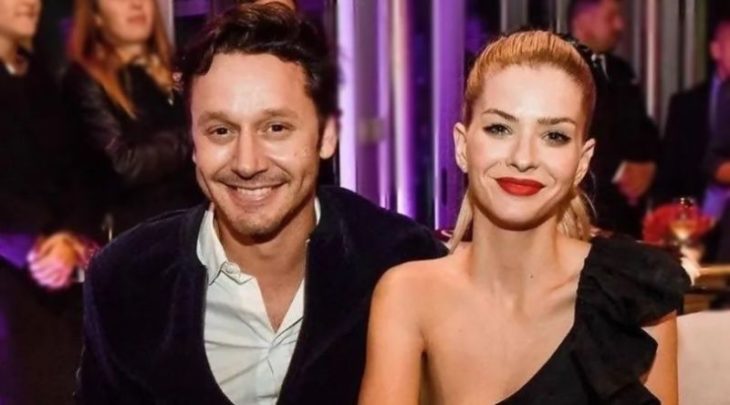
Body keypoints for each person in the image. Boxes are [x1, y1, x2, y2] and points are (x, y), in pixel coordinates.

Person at [76, 4, 447, 404]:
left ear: (326, 136)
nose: (248, 163)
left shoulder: (401, 260)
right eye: (221, 131)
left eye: (275, 128)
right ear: (194, 144)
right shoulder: (126, 280)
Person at [359, 31, 689, 405]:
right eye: (500, 128)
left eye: (554, 136)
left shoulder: (633, 295)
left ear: (581, 162)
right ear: (462, 146)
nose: (523, 157)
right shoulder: (409, 295)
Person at [0, 0, 95, 403]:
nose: (31, 2)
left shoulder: (39, 77)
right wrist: (30, 246)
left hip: (59, 276)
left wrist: (71, 237)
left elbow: (76, 170)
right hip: (13, 280)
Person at [62, 0, 202, 239]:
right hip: (136, 236)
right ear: (96, 16)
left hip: (192, 225)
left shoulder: (176, 69)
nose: (136, 4)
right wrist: (197, 135)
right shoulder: (85, 80)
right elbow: (122, 164)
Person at [569, 0, 660, 237]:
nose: (620, 26)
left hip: (627, 217)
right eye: (610, 18)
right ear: (583, 20)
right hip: (585, 209)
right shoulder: (565, 68)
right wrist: (620, 171)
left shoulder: (622, 71)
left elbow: (644, 127)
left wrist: (649, 166)